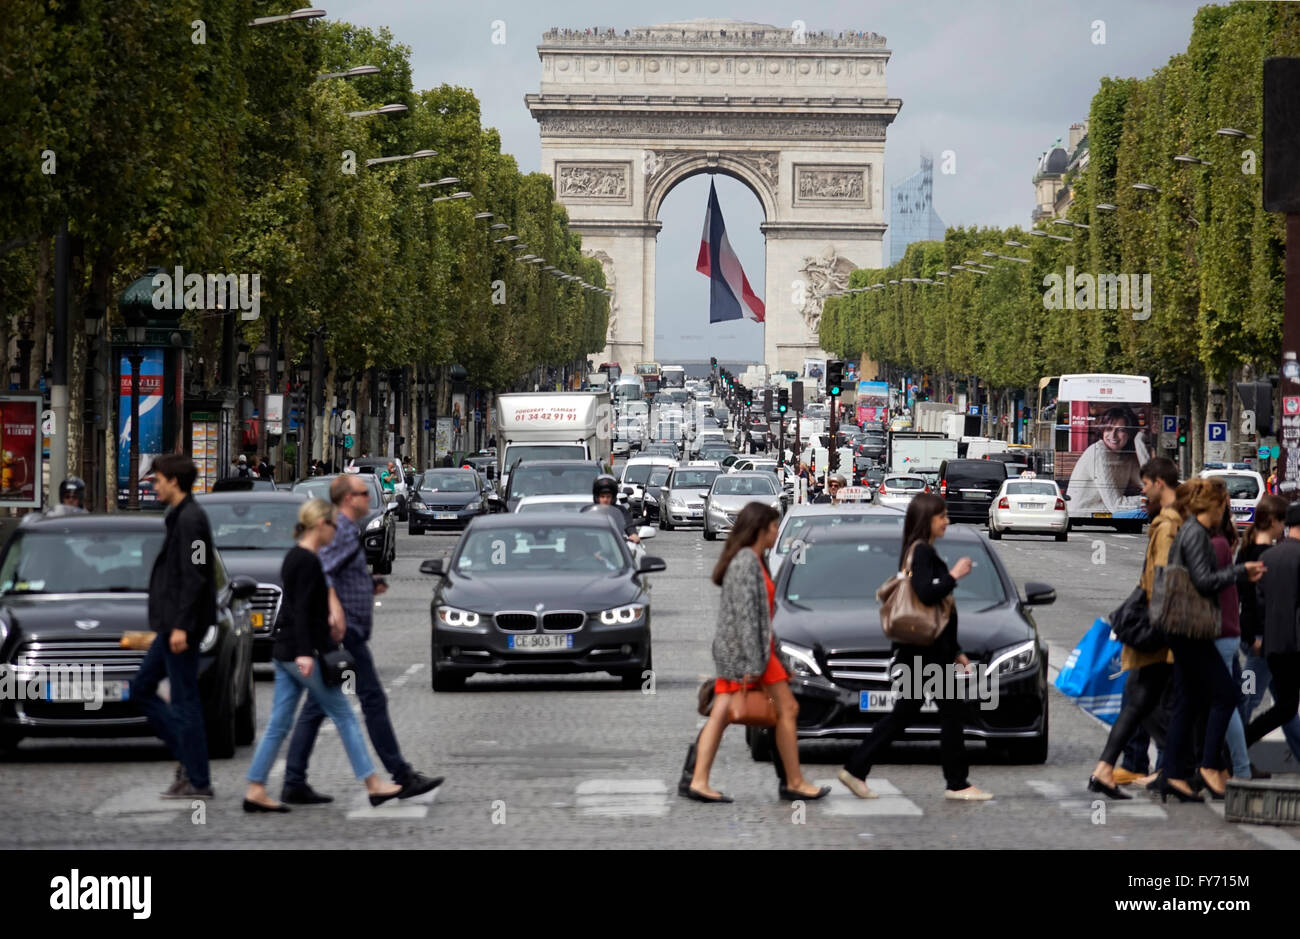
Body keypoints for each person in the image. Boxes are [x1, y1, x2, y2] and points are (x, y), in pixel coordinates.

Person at [281, 475, 443, 804]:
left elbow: (337, 573)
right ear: (347, 499)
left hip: (345, 629)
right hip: (345, 632)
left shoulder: (345, 528)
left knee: (317, 707)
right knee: (373, 700)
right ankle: (401, 775)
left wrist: (368, 585)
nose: (369, 497)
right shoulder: (339, 528)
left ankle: (294, 780)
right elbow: (321, 571)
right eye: (362, 493)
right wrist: (336, 609)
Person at [242, 500, 404, 812]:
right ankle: (374, 785)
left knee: (278, 723)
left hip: (285, 652)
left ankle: (256, 787)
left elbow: (299, 607)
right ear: (320, 525)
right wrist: (306, 653)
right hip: (303, 654)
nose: (336, 532)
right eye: (332, 526)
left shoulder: (296, 556)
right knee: (344, 714)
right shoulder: (307, 561)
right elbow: (301, 610)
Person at [839, 493, 993, 801]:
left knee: (906, 714)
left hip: (927, 650)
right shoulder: (921, 552)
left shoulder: (919, 551)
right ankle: (957, 783)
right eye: (942, 517)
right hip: (927, 652)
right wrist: (954, 574)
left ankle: (856, 769)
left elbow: (937, 614)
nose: (947, 521)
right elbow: (926, 595)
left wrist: (957, 651)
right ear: (928, 520)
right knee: (948, 714)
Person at [683, 502, 830, 804]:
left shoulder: (752, 559)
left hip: (749, 652)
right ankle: (793, 781)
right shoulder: (746, 562)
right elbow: (747, 616)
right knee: (785, 709)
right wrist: (756, 662)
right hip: (749, 655)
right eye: (774, 527)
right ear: (760, 529)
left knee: (726, 713)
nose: (778, 533)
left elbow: (759, 616)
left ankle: (700, 779)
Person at [1152, 477, 1264, 803]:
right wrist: (1242, 572)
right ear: (1213, 507)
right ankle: (1208, 765)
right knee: (1226, 694)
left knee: (1187, 702)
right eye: (1224, 505)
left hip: (1183, 627)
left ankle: (1172, 774)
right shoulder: (1197, 534)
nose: (1225, 511)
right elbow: (1203, 582)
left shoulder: (1189, 531)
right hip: (1192, 628)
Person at [1089, 457, 1181, 797]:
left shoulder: (1169, 523)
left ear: (1159, 483)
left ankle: (1116, 769)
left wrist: (1157, 625)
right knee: (1145, 700)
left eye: (1145, 485)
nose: (1142, 492)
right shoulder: (1169, 522)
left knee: (1141, 700)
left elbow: (1161, 580)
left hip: (1157, 626)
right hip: (1159, 629)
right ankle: (1167, 771)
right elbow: (1161, 580)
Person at [130, 454, 217, 800]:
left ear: (175, 482)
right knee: (142, 689)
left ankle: (197, 778)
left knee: (184, 701)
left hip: (181, 626)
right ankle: (189, 762)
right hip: (171, 624)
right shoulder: (180, 517)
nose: (154, 484)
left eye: (158, 479)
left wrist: (181, 625)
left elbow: (196, 576)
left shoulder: (192, 520)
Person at [1237, 494, 1300, 772]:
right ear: (1274, 521)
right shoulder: (1262, 554)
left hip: (1263, 641)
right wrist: (1255, 637)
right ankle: (1233, 756)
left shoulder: (1254, 550)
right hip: (1261, 643)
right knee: (1249, 699)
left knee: (1284, 705)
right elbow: (1253, 603)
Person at [1209, 506, 1251, 779]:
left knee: (1224, 702)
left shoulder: (1217, 545)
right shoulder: (1222, 543)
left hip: (1221, 632)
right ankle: (1222, 765)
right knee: (1230, 699)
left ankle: (1236, 766)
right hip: (1227, 631)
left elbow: (1209, 584)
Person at [1064, 405, 1150, 517]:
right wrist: (1147, 500)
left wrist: (1139, 441)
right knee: (1144, 513)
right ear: (1102, 430)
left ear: (1129, 434)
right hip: (1084, 517)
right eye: (1108, 429)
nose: (1113, 436)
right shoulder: (1098, 453)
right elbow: (1115, 505)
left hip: (1108, 514)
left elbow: (1150, 483)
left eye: (1120, 430)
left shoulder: (1127, 456)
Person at [593, 473, 639, 541]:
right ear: (597, 497)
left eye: (608, 497)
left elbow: (628, 524)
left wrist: (633, 534)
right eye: (602, 496)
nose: (605, 499)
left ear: (613, 498)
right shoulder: (589, 512)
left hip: (617, 544)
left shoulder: (621, 510)